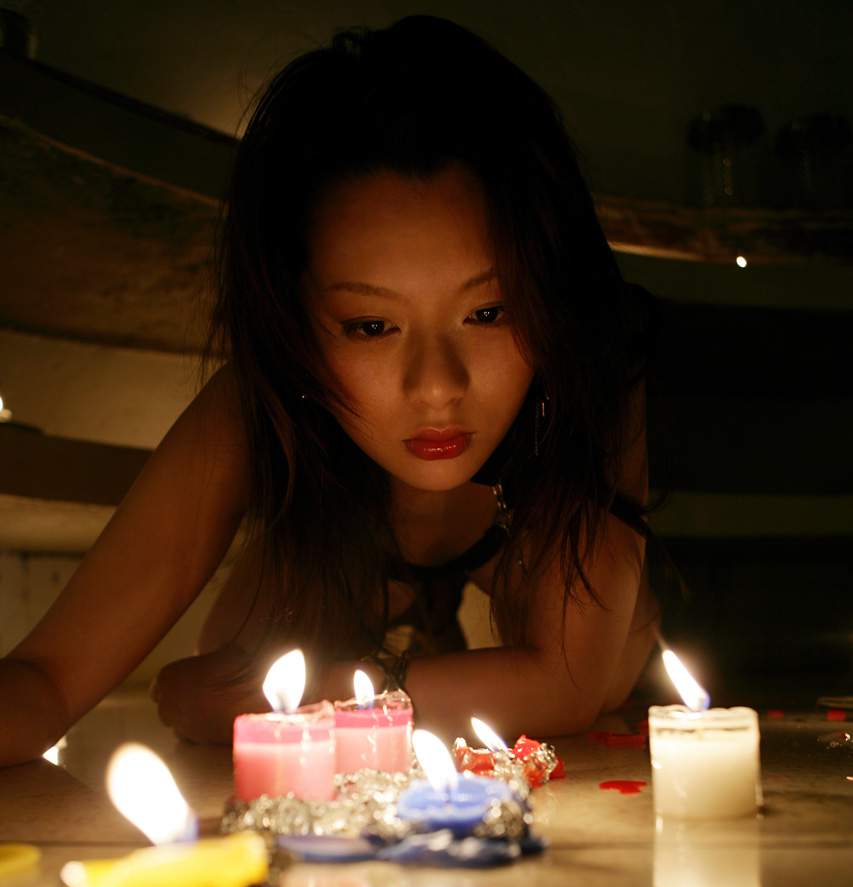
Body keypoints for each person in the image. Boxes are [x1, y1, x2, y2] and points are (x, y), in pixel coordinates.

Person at [0, 15, 660, 767]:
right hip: (339, 564)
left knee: (616, 667)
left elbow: (568, 687)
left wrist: (271, 700)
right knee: (240, 644)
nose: (436, 388)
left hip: (561, 617)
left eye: (488, 312)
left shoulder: (589, 369)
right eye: (371, 326)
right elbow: (50, 677)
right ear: (294, 320)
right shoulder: (266, 395)